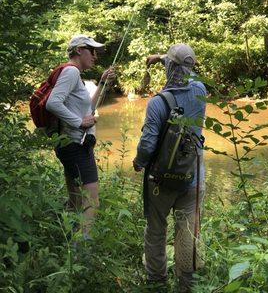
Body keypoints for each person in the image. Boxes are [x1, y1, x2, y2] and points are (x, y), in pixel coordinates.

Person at [133, 43, 206, 293]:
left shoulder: (157, 102)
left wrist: (139, 162)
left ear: (169, 68)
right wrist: (162, 56)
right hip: (192, 178)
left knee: (156, 230)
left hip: (160, 181)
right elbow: (184, 65)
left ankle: (157, 282)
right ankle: (186, 285)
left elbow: (148, 143)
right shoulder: (200, 91)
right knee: (187, 232)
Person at [46, 34, 115, 239]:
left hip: (70, 144)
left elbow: (87, 109)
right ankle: (83, 249)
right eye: (91, 50)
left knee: (76, 198)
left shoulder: (76, 76)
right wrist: (78, 122)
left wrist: (102, 83)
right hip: (75, 145)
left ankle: (68, 239)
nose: (95, 55)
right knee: (91, 200)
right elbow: (53, 103)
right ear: (79, 50)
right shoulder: (71, 72)